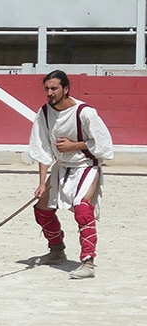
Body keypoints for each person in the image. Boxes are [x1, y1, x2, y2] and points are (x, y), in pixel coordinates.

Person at [29, 70, 114, 279]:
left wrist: (73, 145)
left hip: (86, 165)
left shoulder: (85, 113)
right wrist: (42, 182)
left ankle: (88, 262)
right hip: (61, 167)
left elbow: (103, 143)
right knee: (41, 209)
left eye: (54, 88)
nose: (49, 93)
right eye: (47, 88)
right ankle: (56, 250)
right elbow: (42, 149)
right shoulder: (44, 113)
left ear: (66, 89)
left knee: (83, 210)